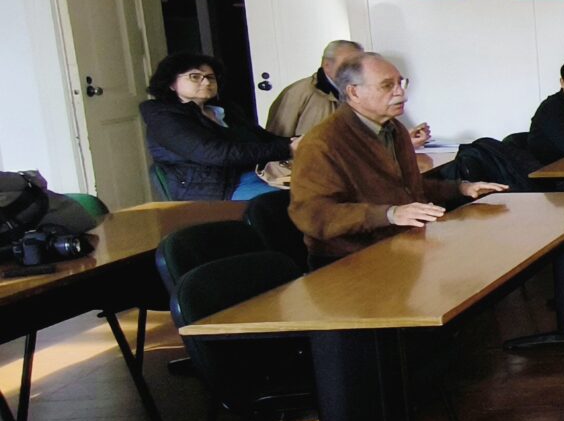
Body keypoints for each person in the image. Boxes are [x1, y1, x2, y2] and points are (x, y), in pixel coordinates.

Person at [289, 53, 503, 263]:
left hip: (404, 243)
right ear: (354, 92)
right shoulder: (322, 142)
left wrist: (461, 188)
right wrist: (390, 214)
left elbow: (406, 189)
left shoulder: (394, 129)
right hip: (349, 259)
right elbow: (313, 214)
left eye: (401, 83)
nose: (402, 93)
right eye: (387, 86)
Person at [141, 52, 294, 201]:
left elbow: (263, 139)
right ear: (171, 84)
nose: (207, 82)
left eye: (210, 77)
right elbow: (216, 154)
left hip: (253, 176)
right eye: (195, 77)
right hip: (210, 190)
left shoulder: (225, 111)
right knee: (294, 202)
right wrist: (289, 148)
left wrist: (302, 142)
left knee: (312, 191)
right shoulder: (164, 118)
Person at [267, 38, 432, 149]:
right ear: (327, 65)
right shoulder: (298, 93)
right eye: (348, 64)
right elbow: (275, 142)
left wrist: (403, 141)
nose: (355, 69)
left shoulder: (367, 93)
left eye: (358, 63)